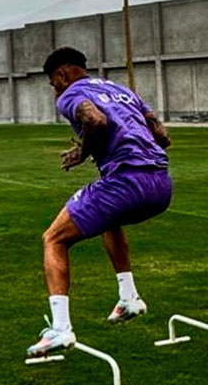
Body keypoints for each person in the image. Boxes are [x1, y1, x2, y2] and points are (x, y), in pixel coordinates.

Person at [28, 47, 172, 358]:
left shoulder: (70, 94)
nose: (56, 90)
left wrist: (84, 151)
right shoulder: (121, 90)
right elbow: (161, 134)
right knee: (109, 219)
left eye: (54, 83)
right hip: (161, 183)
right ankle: (129, 297)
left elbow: (95, 120)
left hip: (126, 182)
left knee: (53, 239)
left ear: (62, 75)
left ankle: (60, 330)